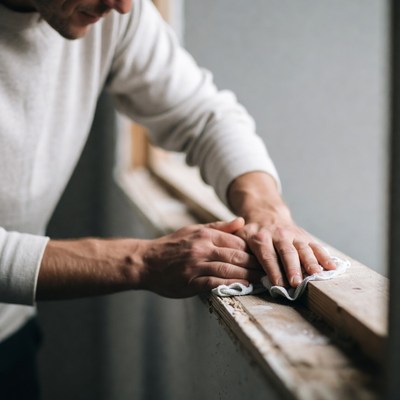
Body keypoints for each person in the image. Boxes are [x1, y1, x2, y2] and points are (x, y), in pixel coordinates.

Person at [0, 0, 336, 397]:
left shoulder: (114, 15)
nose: (122, 6)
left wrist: (266, 210)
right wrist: (141, 261)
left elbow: (205, 116)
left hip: (10, 332)